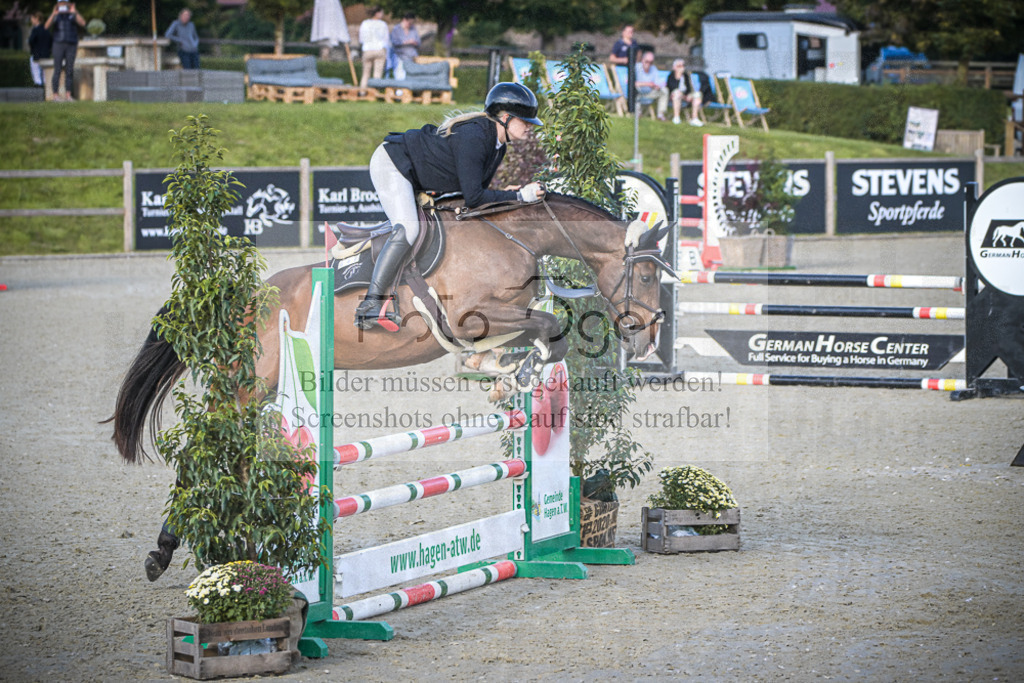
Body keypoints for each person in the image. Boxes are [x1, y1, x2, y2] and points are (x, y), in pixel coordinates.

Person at [354, 82, 546, 331]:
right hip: (393, 163)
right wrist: (519, 196)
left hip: (415, 173)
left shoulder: (498, 145)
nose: (530, 127)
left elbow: (474, 196)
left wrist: (510, 196)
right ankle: (370, 304)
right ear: (506, 118)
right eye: (525, 121)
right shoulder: (476, 137)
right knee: (409, 229)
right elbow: (475, 197)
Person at [44, 0, 84, 101]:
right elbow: (46, 26)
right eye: (61, 3)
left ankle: (68, 95)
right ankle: (55, 95)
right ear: (58, 4)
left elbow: (82, 23)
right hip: (58, 44)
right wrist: (53, 13)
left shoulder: (72, 14)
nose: (63, 5)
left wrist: (75, 12)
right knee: (57, 69)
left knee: (69, 70)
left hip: (71, 44)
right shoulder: (56, 15)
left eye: (65, 3)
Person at [667, 58, 703, 126]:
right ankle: (676, 117)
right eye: (679, 66)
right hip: (674, 96)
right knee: (677, 93)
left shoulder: (686, 76)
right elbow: (672, 88)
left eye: (682, 65)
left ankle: (694, 118)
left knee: (698, 95)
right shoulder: (671, 76)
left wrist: (687, 95)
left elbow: (688, 88)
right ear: (674, 67)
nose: (681, 68)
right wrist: (678, 76)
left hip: (685, 96)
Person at [358, 6, 389, 89]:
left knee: (365, 73)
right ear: (377, 13)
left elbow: (361, 38)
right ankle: (374, 91)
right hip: (379, 49)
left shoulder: (365, 23)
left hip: (367, 49)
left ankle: (363, 91)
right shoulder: (383, 24)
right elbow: (386, 39)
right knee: (377, 74)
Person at [635, 50, 669, 121]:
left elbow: (657, 82)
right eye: (647, 61)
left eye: (651, 62)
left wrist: (658, 86)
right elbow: (631, 83)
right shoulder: (636, 67)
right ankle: (637, 112)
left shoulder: (654, 69)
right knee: (635, 89)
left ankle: (660, 115)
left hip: (649, 93)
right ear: (642, 60)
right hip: (637, 93)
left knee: (665, 91)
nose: (649, 64)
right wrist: (648, 84)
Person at [28, 12, 52, 88]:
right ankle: (46, 87)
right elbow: (51, 41)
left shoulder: (35, 30)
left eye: (32, 19)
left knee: (36, 72)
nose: (31, 20)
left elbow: (31, 41)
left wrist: (33, 49)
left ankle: (38, 85)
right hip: (46, 54)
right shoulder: (47, 30)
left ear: (37, 19)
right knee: (45, 73)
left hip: (36, 54)